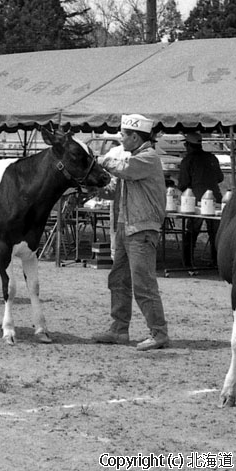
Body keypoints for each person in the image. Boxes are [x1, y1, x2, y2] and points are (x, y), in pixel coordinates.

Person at [92, 114, 170, 351]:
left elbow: (125, 169)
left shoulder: (146, 158)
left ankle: (158, 333)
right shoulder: (136, 158)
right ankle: (119, 329)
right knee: (119, 279)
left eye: (124, 135)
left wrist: (103, 161)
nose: (121, 139)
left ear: (135, 136)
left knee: (143, 283)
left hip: (141, 228)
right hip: (128, 227)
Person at [177, 132, 224, 266]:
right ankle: (217, 261)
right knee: (216, 233)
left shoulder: (188, 160)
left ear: (189, 145)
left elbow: (183, 183)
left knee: (191, 232)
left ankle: (188, 262)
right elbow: (220, 178)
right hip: (215, 197)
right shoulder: (212, 157)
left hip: (195, 200)